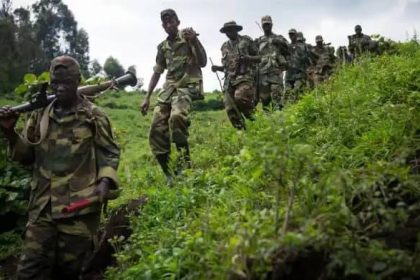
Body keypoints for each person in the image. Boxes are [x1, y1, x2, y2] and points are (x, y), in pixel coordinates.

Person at [0, 55, 120, 279]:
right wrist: (9, 133)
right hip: (42, 209)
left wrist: (104, 183)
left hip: (78, 211)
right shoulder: (39, 115)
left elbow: (110, 152)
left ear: (78, 80)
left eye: (67, 81)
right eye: (56, 82)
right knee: (29, 271)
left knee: (73, 272)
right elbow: (26, 157)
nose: (60, 86)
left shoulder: (94, 116)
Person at [140, 9, 207, 182]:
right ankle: (170, 175)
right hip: (168, 90)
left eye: (172, 21)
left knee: (177, 118)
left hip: (186, 86)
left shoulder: (188, 37)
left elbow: (203, 62)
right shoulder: (162, 47)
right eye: (165, 23)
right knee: (156, 130)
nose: (169, 25)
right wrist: (147, 97)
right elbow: (157, 72)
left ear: (178, 22)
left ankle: (186, 165)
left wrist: (195, 41)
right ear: (163, 26)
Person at [211, 21, 260, 129]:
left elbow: (259, 57)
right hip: (229, 81)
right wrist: (217, 68)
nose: (229, 32)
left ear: (236, 30)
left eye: (232, 30)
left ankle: (258, 122)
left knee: (240, 97)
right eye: (227, 31)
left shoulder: (246, 41)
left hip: (245, 77)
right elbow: (227, 67)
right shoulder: (224, 47)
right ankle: (241, 132)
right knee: (229, 107)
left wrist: (248, 58)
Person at [254, 15, 289, 111]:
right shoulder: (258, 41)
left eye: (268, 24)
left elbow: (289, 49)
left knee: (277, 100)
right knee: (265, 101)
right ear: (262, 26)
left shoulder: (279, 38)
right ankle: (268, 123)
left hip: (276, 73)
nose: (266, 26)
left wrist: (279, 42)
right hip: (262, 75)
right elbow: (254, 55)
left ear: (272, 25)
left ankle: (279, 122)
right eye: (265, 25)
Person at [284, 29, 311, 104]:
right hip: (289, 74)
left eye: (293, 34)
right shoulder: (287, 47)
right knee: (286, 93)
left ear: (296, 35)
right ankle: (286, 110)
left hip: (299, 74)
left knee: (295, 92)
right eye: (290, 34)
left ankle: (295, 108)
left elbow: (308, 59)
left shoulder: (303, 46)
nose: (291, 36)